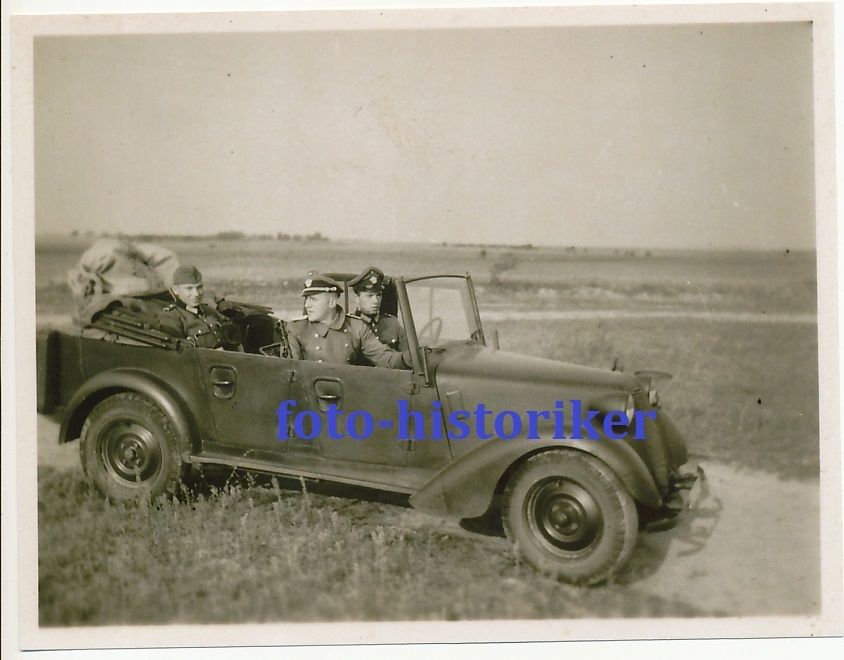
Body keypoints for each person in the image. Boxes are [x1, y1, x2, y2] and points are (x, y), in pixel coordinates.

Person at [288, 272, 411, 369]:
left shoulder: (357, 327)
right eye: (307, 299)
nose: (307, 305)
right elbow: (291, 371)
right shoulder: (296, 329)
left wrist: (411, 358)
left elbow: (385, 359)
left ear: (332, 303)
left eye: (313, 300)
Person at [154, 265, 236, 349]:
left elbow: (229, 329)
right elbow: (176, 353)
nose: (196, 294)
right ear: (176, 290)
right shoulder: (171, 317)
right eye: (189, 289)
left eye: (199, 287)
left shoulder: (208, 311)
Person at [347, 266, 407, 355]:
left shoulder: (392, 323)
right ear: (357, 298)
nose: (376, 301)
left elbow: (409, 355)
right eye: (369, 296)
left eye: (378, 295)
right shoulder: (349, 326)